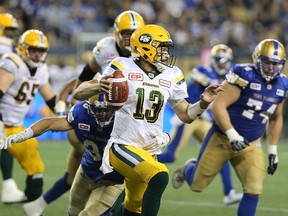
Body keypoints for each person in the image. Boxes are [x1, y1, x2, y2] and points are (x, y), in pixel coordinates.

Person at [73, 24, 223, 216]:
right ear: (146, 47)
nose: (166, 54)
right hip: (122, 146)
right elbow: (79, 92)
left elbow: (186, 115)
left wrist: (202, 103)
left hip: (149, 150)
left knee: (134, 209)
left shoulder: (172, 74)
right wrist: (98, 86)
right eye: (161, 48)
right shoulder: (122, 66)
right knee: (160, 176)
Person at [21, 10, 145, 215]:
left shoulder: (142, 53)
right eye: (125, 32)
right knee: (111, 172)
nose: (128, 37)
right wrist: (75, 100)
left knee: (76, 175)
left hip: (118, 120)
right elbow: (85, 76)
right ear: (116, 32)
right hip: (99, 120)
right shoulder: (106, 49)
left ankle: (37, 205)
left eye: (133, 32)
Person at [172, 39, 287, 216]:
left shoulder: (282, 84)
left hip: (250, 144)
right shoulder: (244, 74)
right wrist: (232, 134)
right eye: (267, 62)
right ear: (257, 59)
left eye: (275, 63)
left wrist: (272, 150)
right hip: (222, 138)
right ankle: (189, 168)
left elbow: (276, 118)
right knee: (197, 185)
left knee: (254, 188)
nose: (271, 68)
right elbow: (218, 106)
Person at [0, 94, 130, 216]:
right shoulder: (82, 113)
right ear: (90, 107)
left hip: (113, 178)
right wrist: (24, 135)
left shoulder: (126, 119)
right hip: (88, 168)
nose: (102, 114)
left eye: (106, 110)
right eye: (98, 110)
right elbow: (51, 123)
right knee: (74, 209)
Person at [159, 44, 242, 205]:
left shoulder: (228, 79)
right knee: (170, 156)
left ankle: (229, 192)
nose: (222, 64)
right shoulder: (204, 70)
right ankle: (139, 162)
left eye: (225, 61)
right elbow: (196, 77)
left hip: (205, 120)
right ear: (212, 60)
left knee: (221, 152)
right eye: (219, 60)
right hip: (188, 116)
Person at [0, 29, 56, 204]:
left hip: (15, 125)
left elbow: (50, 98)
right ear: (24, 49)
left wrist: (63, 111)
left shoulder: (41, 70)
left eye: (41, 51)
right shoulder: (13, 63)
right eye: (34, 50)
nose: (38, 55)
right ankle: (9, 188)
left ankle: (32, 206)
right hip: (2, 121)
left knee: (36, 166)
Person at [0, 12, 25, 204]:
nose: (11, 34)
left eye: (12, 31)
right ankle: (8, 186)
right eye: (8, 30)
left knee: (3, 141)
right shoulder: (6, 47)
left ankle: (8, 186)